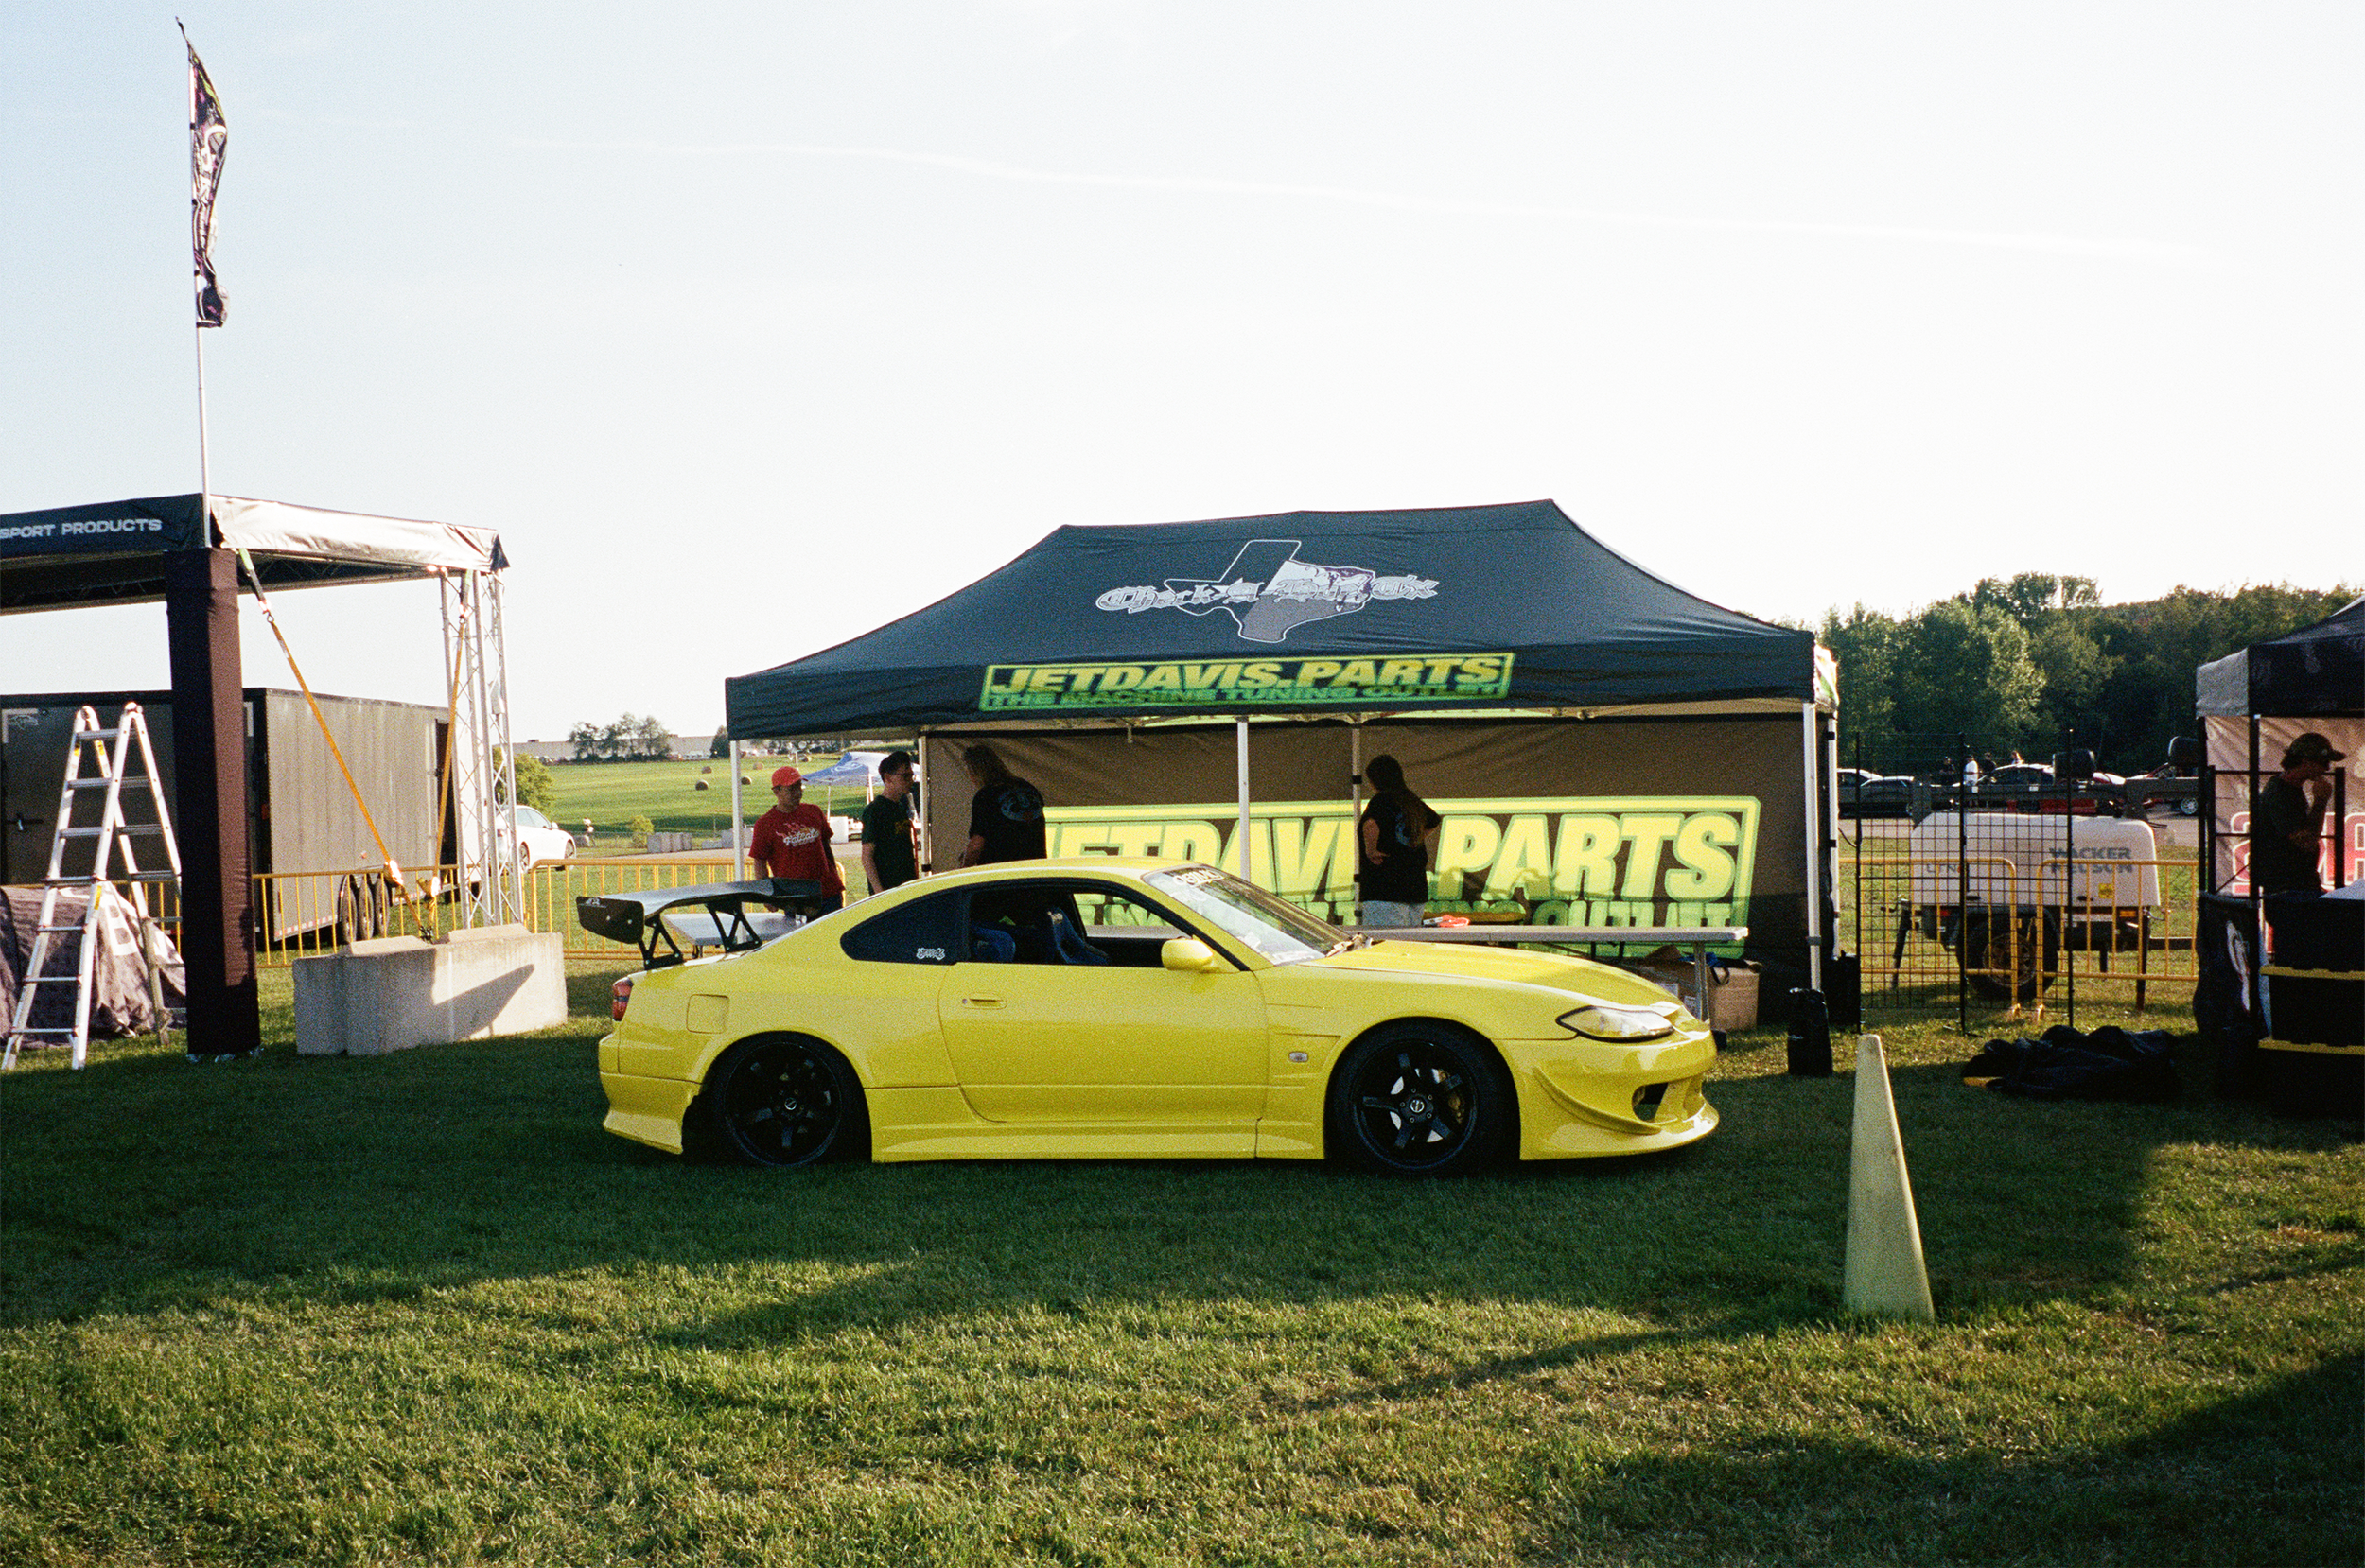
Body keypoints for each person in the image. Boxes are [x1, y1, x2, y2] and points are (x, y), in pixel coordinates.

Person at [2251, 731, 2345, 897]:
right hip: (2286, 888)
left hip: (2297, 885)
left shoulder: (2291, 790)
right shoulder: (2279, 794)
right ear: (2305, 761)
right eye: (2323, 762)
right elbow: (2307, 841)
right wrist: (2320, 802)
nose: (2327, 768)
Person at [1357, 754, 1441, 928]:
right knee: (1409, 946)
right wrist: (1414, 839)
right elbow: (1433, 820)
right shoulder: (1410, 799)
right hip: (1414, 888)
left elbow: (1370, 825)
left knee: (1385, 946)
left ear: (1375, 780)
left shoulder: (1381, 800)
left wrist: (1371, 850)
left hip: (1384, 888)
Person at [749, 765, 845, 912]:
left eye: (800, 787)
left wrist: (835, 880)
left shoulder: (814, 811)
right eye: (791, 789)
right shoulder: (765, 824)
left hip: (827, 892)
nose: (798, 793)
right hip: (794, 897)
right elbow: (759, 861)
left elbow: (826, 847)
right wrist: (767, 895)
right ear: (776, 791)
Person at [960, 743, 1047, 865]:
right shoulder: (1027, 788)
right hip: (1034, 869)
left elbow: (976, 846)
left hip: (1001, 873)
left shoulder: (986, 795)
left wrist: (963, 869)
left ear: (975, 771)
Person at [859, 749, 920, 894]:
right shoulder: (874, 811)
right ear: (888, 778)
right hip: (888, 888)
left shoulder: (900, 807)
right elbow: (867, 856)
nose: (910, 781)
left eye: (911, 776)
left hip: (906, 886)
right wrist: (879, 891)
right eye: (905, 776)